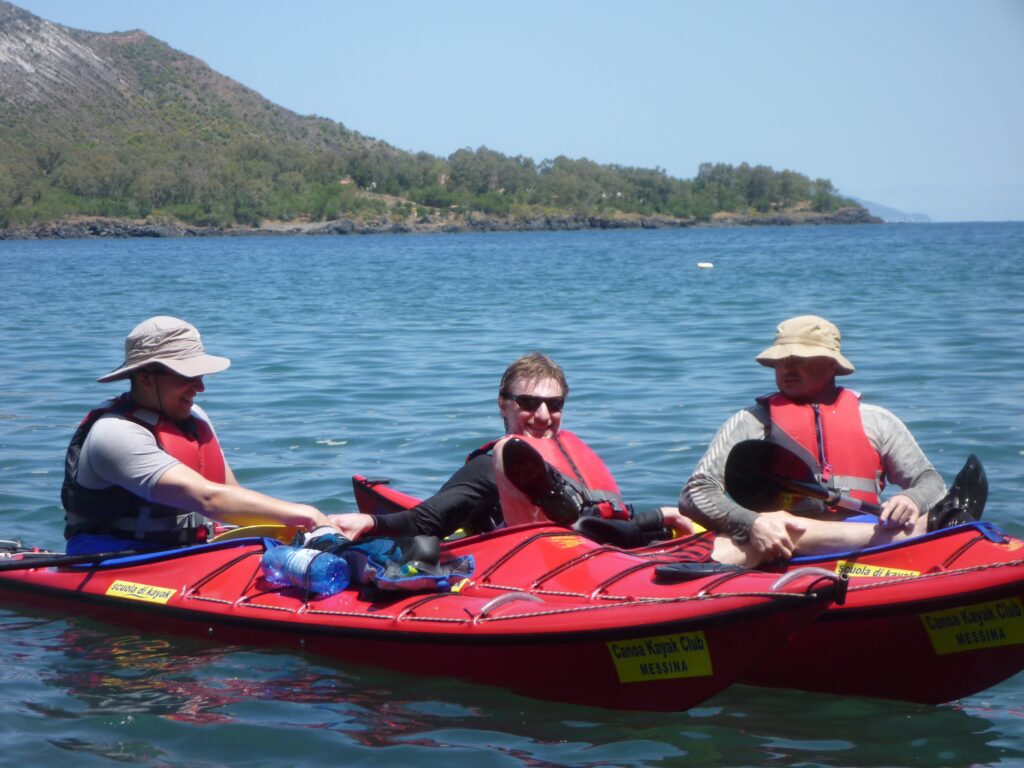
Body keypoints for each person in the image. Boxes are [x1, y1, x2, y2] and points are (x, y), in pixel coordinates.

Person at [335, 353, 710, 552]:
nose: (544, 415)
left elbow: (603, 519)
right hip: (544, 565)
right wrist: (372, 523)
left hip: (614, 551)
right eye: (529, 402)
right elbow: (429, 522)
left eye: (554, 403)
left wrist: (661, 521)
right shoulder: (490, 466)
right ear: (503, 405)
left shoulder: (571, 454)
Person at [679, 314, 952, 561]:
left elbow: (932, 482)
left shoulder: (877, 421)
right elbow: (696, 493)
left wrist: (912, 499)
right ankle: (915, 532)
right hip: (781, 539)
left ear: (832, 365)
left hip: (862, 536)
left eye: (799, 360)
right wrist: (752, 523)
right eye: (780, 361)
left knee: (932, 512)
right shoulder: (751, 422)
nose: (787, 368)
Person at [62, 316, 341, 555]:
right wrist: (309, 513)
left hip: (183, 553)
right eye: (187, 375)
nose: (200, 387)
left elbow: (231, 494)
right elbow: (210, 500)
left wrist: (304, 532)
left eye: (201, 374)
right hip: (112, 560)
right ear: (146, 378)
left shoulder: (193, 416)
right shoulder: (115, 434)